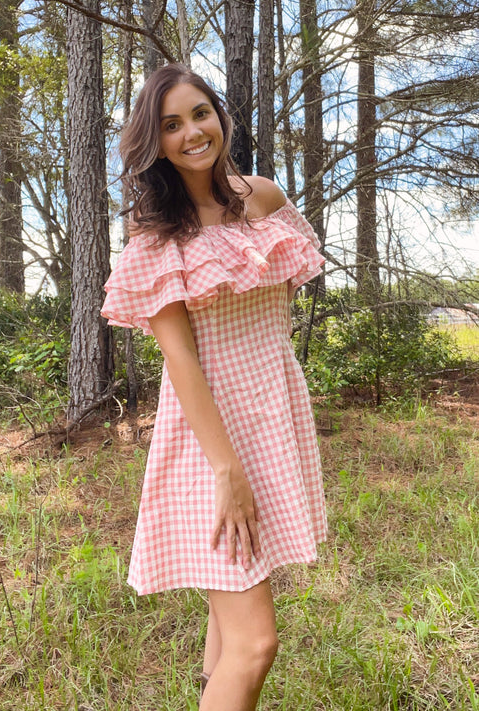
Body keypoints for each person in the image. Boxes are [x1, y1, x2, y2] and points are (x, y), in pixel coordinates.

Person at [101, 63, 327, 711]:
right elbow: (181, 362)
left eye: (199, 113)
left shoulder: (263, 197)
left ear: (219, 115)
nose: (192, 132)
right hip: (207, 442)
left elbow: (290, 276)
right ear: (155, 143)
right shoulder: (155, 237)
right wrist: (227, 470)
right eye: (170, 125)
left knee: (231, 615)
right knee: (255, 644)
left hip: (268, 415)